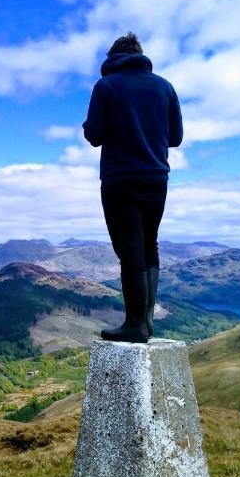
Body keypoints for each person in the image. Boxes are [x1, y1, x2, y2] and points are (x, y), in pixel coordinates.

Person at [83, 32, 183, 343]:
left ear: (112, 59)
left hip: (120, 179)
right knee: (150, 243)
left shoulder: (107, 85)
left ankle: (134, 324)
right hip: (156, 177)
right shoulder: (165, 87)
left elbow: (94, 134)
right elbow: (176, 138)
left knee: (129, 249)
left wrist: (93, 125)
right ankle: (147, 321)